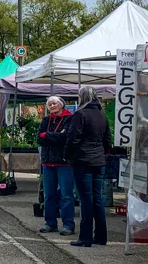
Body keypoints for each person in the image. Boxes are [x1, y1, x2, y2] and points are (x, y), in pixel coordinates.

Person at [65, 86, 112, 247]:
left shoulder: (80, 115)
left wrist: (68, 156)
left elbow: (73, 138)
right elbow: (107, 140)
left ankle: (85, 237)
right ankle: (101, 235)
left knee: (86, 199)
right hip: (99, 160)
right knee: (97, 198)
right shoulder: (102, 115)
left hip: (83, 161)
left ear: (82, 97)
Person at [37, 96, 75, 235]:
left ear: (61, 105)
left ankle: (68, 224)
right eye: (49, 104)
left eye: (54, 103)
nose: (52, 106)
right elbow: (38, 139)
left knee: (66, 195)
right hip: (47, 162)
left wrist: (46, 135)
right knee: (49, 194)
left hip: (64, 162)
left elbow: (65, 138)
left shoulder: (69, 119)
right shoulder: (46, 120)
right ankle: (50, 222)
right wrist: (54, 136)